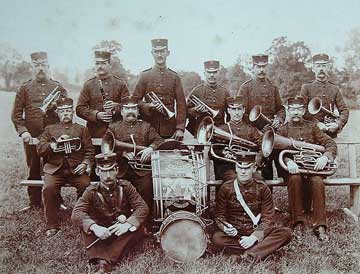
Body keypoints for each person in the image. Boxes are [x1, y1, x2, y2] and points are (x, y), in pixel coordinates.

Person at [71, 152, 149, 274]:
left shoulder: (126, 187)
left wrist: (127, 225)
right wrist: (95, 227)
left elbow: (142, 207)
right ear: (97, 172)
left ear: (117, 170)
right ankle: (111, 254)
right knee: (86, 228)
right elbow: (77, 213)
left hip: (121, 231)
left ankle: (104, 261)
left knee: (137, 228)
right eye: (103, 171)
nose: (108, 176)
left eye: (111, 170)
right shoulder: (91, 191)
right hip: (101, 232)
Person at [11, 51, 67, 209]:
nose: (40, 68)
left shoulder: (57, 87)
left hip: (53, 136)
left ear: (48, 66)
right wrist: (24, 132)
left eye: (43, 65)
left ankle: (57, 200)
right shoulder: (25, 88)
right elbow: (16, 115)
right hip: (32, 136)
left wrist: (56, 108)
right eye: (37, 65)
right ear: (32, 67)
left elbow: (67, 111)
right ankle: (34, 202)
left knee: (55, 166)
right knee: (33, 167)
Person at [212, 151, 292, 262]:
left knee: (285, 233)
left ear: (254, 169)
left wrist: (254, 237)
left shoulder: (263, 188)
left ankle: (246, 256)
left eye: (247, 168)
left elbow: (268, 218)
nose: (243, 171)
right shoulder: (226, 188)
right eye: (240, 167)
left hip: (255, 230)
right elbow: (219, 215)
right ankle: (260, 250)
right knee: (217, 238)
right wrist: (226, 228)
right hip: (235, 234)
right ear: (236, 168)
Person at [277, 96, 337, 241]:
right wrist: (287, 160)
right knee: (295, 179)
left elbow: (330, 143)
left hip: (312, 170)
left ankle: (320, 225)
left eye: (299, 109)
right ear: (288, 110)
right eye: (293, 109)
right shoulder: (282, 129)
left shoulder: (312, 127)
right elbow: (276, 151)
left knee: (317, 181)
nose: (296, 112)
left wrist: (325, 157)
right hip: (291, 169)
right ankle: (297, 222)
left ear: (303, 111)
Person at [37, 97, 95, 236]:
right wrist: (54, 145)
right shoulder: (50, 129)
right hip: (55, 169)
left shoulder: (82, 129)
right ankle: (52, 224)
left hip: (76, 169)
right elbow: (40, 148)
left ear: (72, 112)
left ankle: (82, 217)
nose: (66, 114)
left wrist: (85, 164)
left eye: (68, 111)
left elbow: (89, 151)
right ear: (57, 113)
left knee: (86, 185)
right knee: (49, 188)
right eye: (62, 111)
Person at [104, 96, 163, 213]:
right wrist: (122, 154)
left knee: (147, 186)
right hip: (121, 170)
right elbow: (106, 149)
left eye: (134, 108)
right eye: (127, 108)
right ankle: (120, 216)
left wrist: (150, 149)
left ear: (138, 111)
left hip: (142, 171)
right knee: (117, 188)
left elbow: (159, 140)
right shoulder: (113, 127)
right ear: (121, 112)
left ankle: (145, 219)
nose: (130, 111)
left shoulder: (146, 126)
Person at [237, 54, 285, 180]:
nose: (262, 70)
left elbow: (281, 108)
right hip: (253, 134)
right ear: (253, 68)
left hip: (272, 132)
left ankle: (268, 194)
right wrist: (255, 130)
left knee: (271, 167)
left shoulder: (273, 87)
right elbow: (241, 113)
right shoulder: (246, 87)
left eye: (264, 67)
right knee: (257, 168)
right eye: (258, 67)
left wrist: (278, 120)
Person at [132, 38, 186, 140]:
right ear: (152, 53)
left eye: (162, 51)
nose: (159, 55)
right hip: (148, 126)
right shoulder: (145, 75)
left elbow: (181, 105)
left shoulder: (174, 77)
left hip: (169, 128)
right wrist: (148, 105)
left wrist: (180, 128)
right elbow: (134, 101)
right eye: (156, 52)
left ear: (168, 53)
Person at [76, 50, 130, 138]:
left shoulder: (120, 83)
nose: (100, 66)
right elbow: (80, 109)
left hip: (117, 132)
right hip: (95, 133)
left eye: (103, 63)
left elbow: (128, 105)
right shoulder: (88, 84)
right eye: (97, 63)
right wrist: (96, 115)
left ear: (110, 64)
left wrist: (115, 106)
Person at [213, 96, 262, 181]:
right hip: (228, 167)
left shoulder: (251, 129)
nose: (236, 113)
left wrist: (258, 156)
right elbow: (214, 150)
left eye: (239, 109)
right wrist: (224, 153)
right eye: (233, 109)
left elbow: (262, 146)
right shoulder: (221, 129)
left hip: (247, 167)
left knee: (258, 179)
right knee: (234, 179)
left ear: (243, 110)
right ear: (228, 111)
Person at [300, 53, 349, 138]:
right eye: (318, 66)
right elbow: (302, 110)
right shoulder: (306, 87)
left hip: (330, 134)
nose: (321, 69)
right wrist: (316, 123)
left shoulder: (335, 88)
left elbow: (344, 110)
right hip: (311, 133)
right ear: (313, 69)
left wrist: (337, 124)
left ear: (328, 68)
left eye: (324, 66)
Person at [186, 60, 230, 136]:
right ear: (204, 74)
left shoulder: (224, 92)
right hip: (201, 131)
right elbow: (186, 111)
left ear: (219, 73)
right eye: (209, 72)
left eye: (215, 72)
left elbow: (229, 114)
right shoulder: (197, 90)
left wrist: (227, 129)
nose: (212, 75)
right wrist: (195, 110)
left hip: (220, 131)